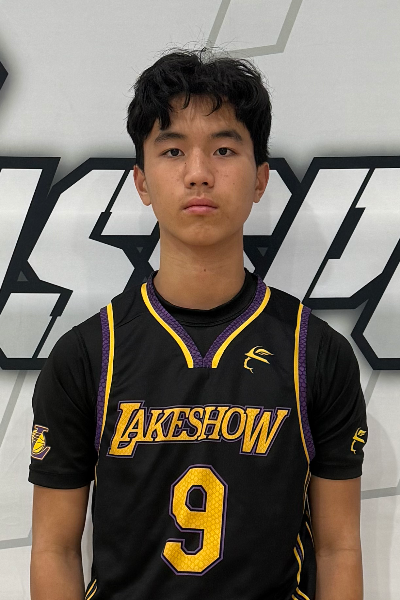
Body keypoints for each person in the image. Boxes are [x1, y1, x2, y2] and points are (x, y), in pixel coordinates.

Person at [29, 48, 367, 600]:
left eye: (224, 149)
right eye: (172, 150)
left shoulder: (316, 353)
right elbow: (54, 550)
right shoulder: (87, 356)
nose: (198, 173)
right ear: (141, 182)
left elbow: (338, 549)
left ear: (260, 180)